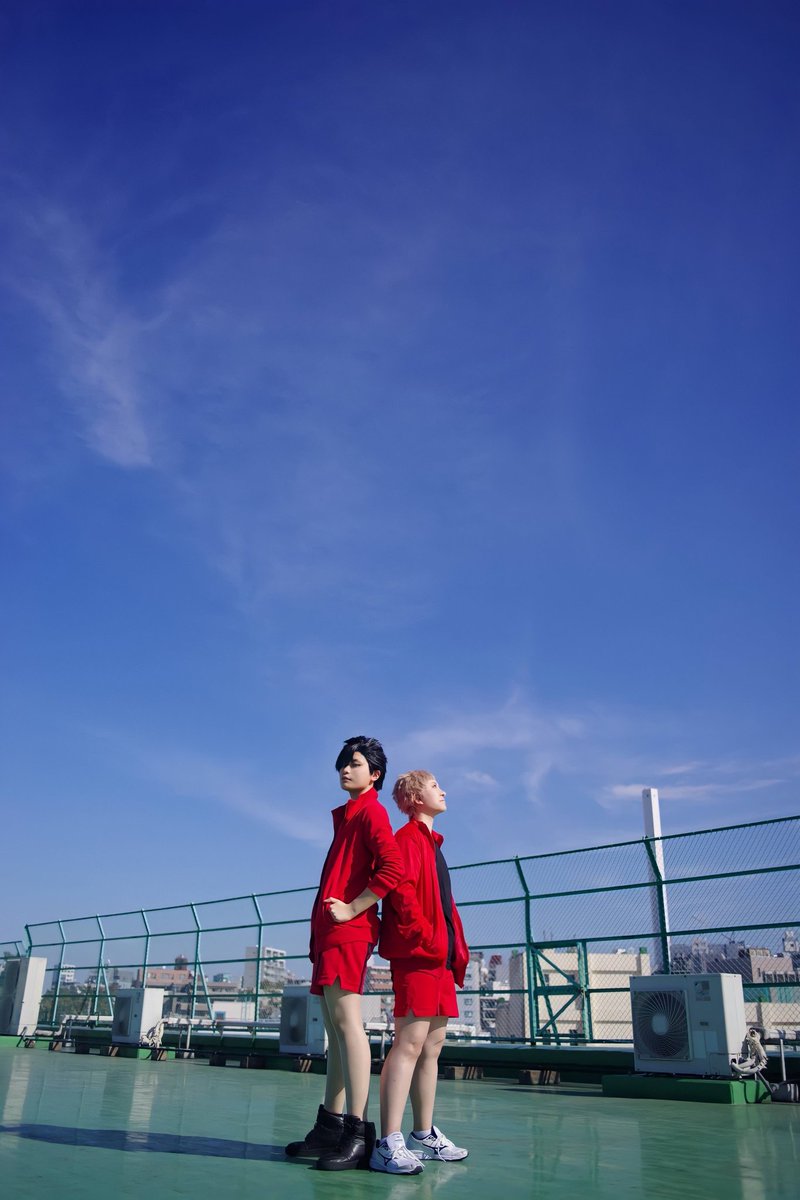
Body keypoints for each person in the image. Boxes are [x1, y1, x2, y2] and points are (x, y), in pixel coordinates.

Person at [285, 735, 404, 1171]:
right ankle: (330, 1127)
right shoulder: (349, 816)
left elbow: (393, 867)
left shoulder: (372, 812)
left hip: (349, 932)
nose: (345, 769)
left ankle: (358, 1133)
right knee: (335, 1031)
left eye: (354, 763)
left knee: (348, 1026)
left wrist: (353, 908)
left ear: (374, 774)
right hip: (331, 934)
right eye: (342, 763)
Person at [370, 770, 470, 1175]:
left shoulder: (433, 843)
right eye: (434, 787)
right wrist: (425, 937)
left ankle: (423, 1134)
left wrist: (450, 947)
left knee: (432, 1046)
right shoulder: (407, 840)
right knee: (408, 1044)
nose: (442, 791)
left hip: (439, 959)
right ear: (414, 798)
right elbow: (401, 892)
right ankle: (387, 1142)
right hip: (419, 956)